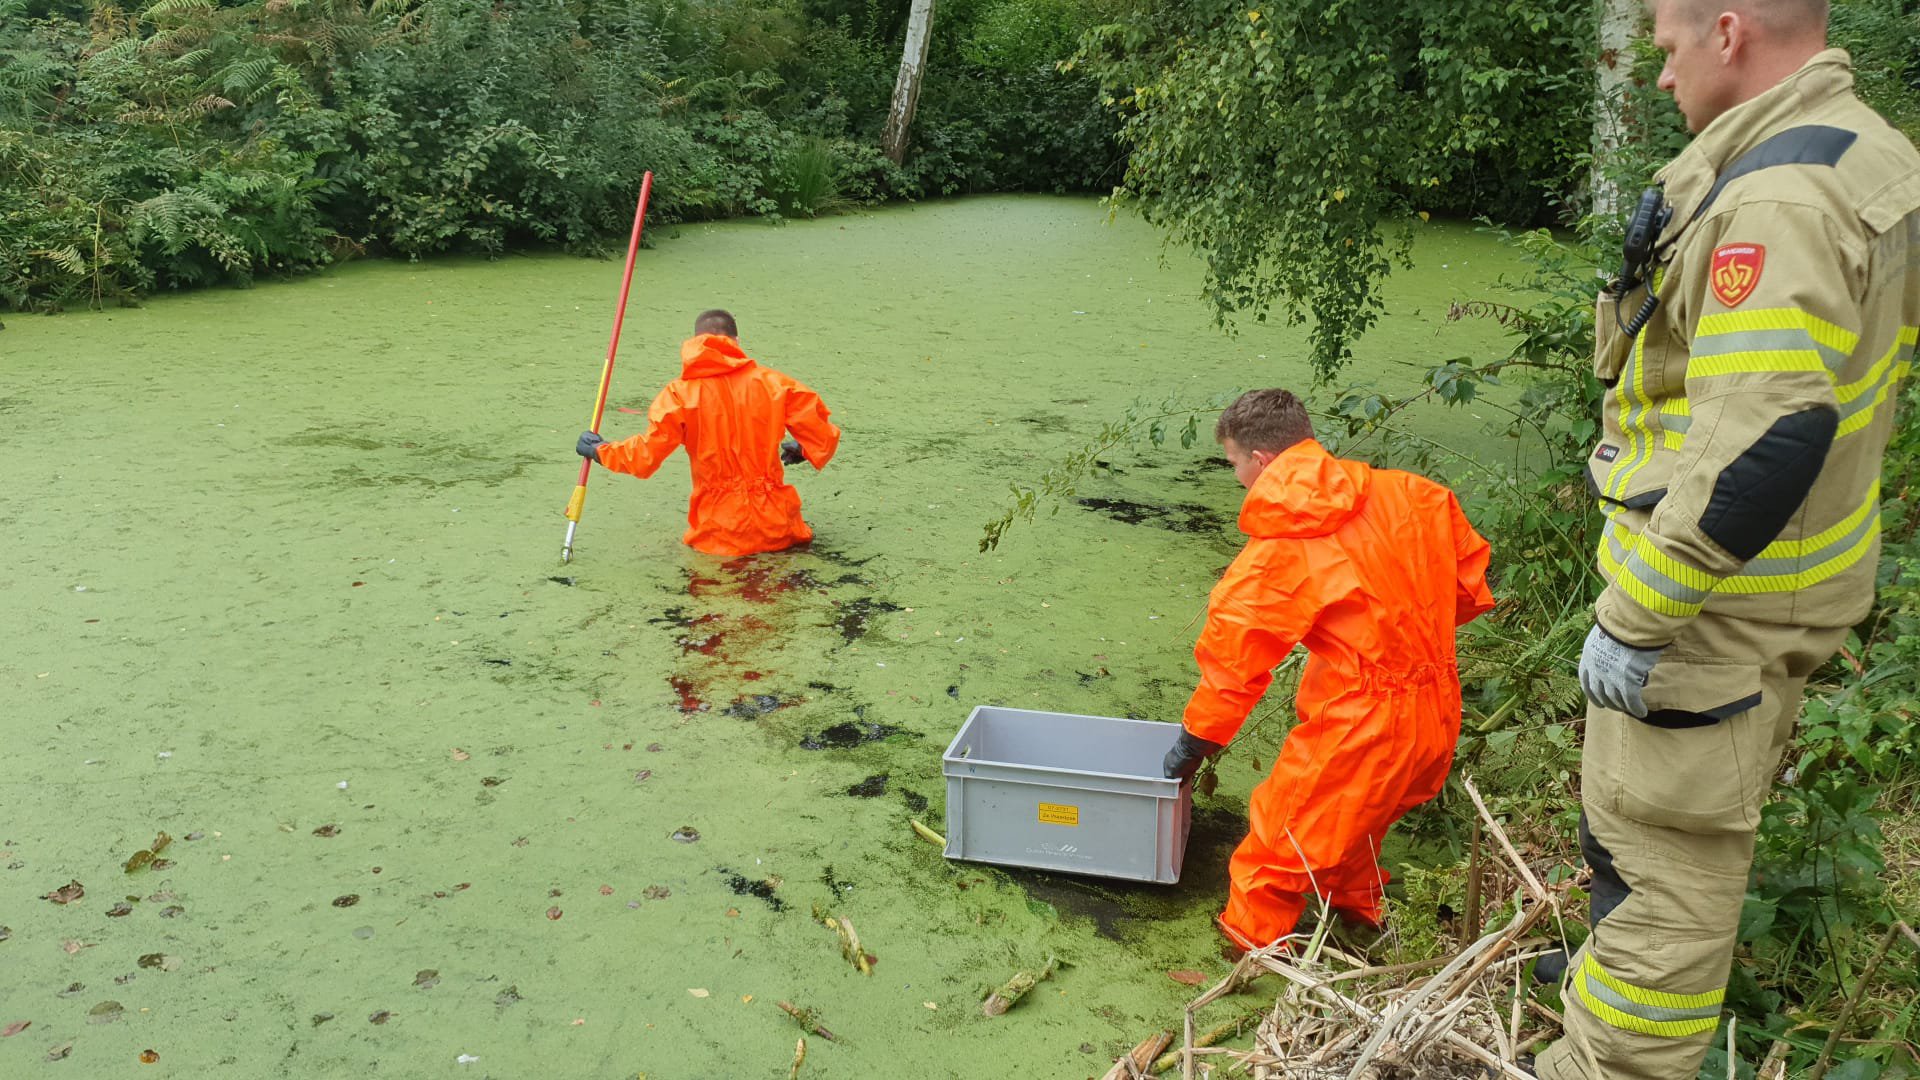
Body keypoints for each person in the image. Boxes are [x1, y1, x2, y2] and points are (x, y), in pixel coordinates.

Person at [1535, 3, 1920, 1077]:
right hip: (1791, 577)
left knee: (1656, 874)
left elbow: (1765, 437)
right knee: (1659, 863)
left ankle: (1610, 1064)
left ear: (1729, 31)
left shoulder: (1777, 201)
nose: (1662, 76)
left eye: (1666, 48)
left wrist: (1635, 619)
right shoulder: (1867, 153)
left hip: (1709, 613)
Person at [1161, 389, 1495, 952]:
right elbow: (1466, 589)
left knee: (1279, 847)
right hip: (1437, 706)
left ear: (1261, 460)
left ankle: (1248, 950)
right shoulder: (1418, 495)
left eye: (1234, 464)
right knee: (1362, 818)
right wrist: (1381, 639)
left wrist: (1196, 740)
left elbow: (1235, 655)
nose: (1238, 478)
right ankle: (1358, 908)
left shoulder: (1285, 544)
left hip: (1361, 722)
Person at [576, 309, 840, 557]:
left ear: (695, 342)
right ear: (737, 341)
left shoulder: (679, 395)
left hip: (718, 534)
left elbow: (645, 457)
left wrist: (600, 450)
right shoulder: (775, 384)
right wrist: (804, 449)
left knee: (716, 589)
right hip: (778, 526)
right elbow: (822, 435)